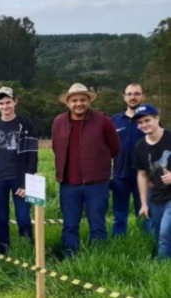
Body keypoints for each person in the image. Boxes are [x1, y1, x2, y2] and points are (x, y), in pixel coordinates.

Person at [52, 83, 121, 256]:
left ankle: (98, 258)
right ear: (67, 103)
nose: (79, 103)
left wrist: (97, 165)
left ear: (89, 101)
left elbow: (115, 147)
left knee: (97, 223)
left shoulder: (103, 120)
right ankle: (70, 256)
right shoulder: (59, 121)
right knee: (69, 224)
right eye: (74, 100)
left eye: (83, 99)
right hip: (68, 183)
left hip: (96, 183)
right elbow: (55, 147)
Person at [0, 87, 38, 254]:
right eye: (1, 103)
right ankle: (3, 252)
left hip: (19, 180)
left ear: (15, 102)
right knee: (1, 218)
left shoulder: (26, 125)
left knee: (24, 218)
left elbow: (32, 156)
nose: (5, 106)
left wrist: (27, 182)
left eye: (8, 102)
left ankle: (27, 251)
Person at [133, 104, 171, 259]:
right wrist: (143, 203)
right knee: (157, 234)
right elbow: (142, 175)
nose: (144, 125)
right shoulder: (140, 146)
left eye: (147, 120)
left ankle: (162, 271)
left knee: (165, 233)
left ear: (157, 118)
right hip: (155, 196)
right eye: (140, 122)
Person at [111, 83, 150, 236]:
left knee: (146, 214)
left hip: (145, 176)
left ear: (143, 96)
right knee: (119, 215)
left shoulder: (149, 120)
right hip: (120, 175)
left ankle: (146, 243)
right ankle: (118, 242)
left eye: (136, 94)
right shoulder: (114, 120)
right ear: (124, 97)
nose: (133, 97)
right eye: (129, 94)